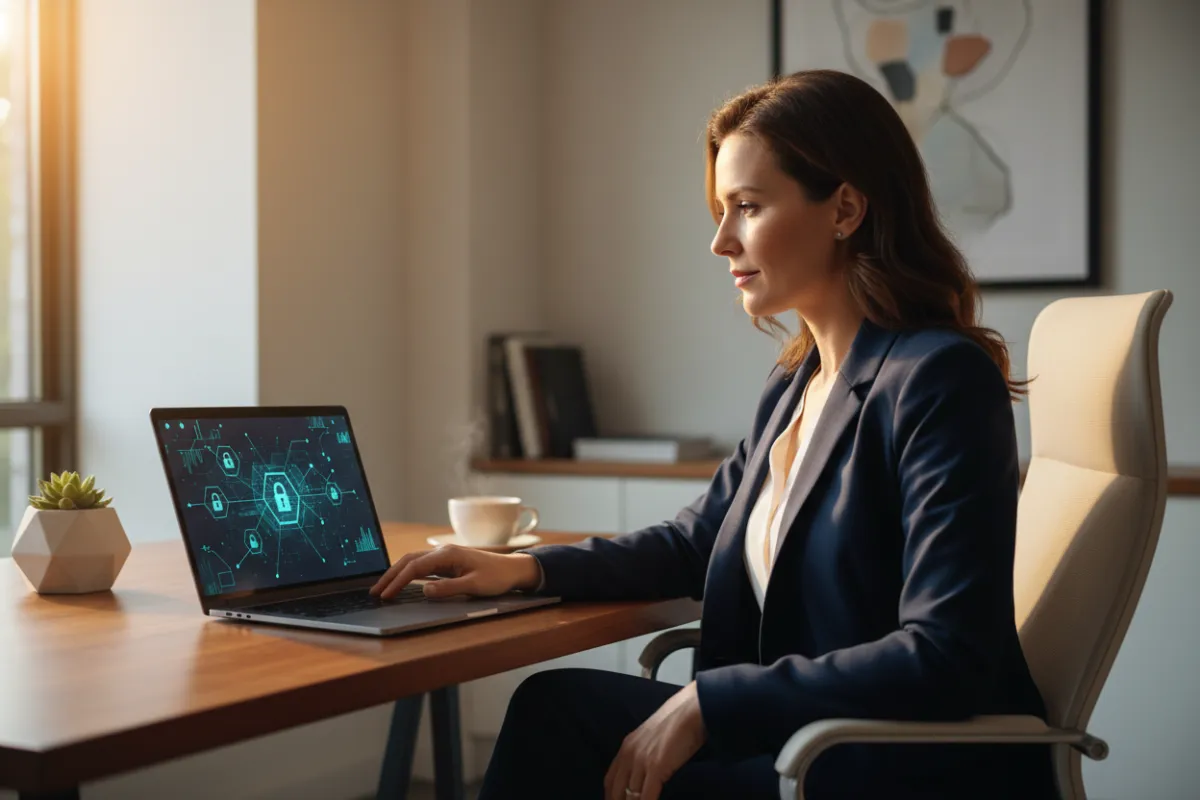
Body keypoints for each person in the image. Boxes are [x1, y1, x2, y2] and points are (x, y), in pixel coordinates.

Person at [371, 69, 1054, 799]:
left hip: (880, 765)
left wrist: (713, 700)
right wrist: (525, 569)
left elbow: (949, 653)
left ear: (845, 208)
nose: (721, 241)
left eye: (748, 207)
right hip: (802, 738)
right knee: (551, 707)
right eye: (721, 211)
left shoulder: (938, 379)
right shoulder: (797, 383)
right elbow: (697, 542)